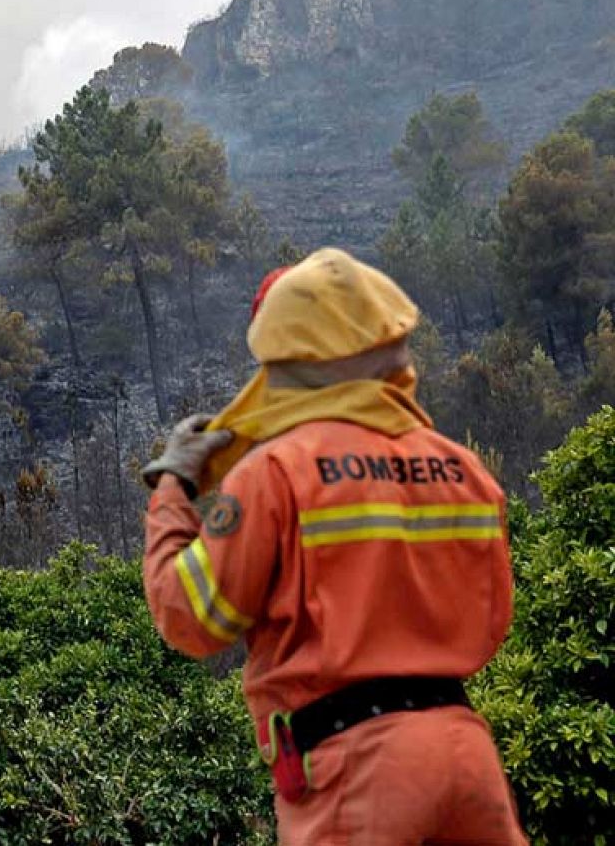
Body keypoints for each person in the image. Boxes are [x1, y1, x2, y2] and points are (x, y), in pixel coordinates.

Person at [140, 248, 528, 845]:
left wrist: (174, 485)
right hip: (467, 757)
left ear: (290, 359)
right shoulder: (465, 471)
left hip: (356, 767)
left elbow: (189, 616)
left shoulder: (276, 471)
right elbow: (494, 622)